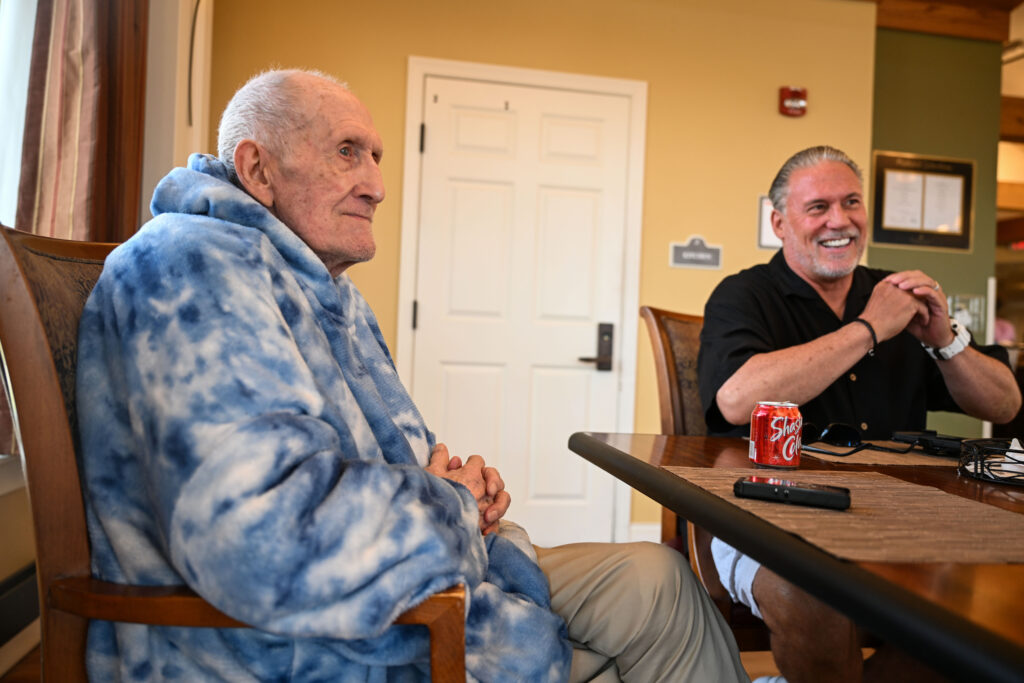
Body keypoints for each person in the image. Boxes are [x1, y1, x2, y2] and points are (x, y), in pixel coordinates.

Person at [76, 68, 747, 682]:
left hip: (418, 586)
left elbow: (404, 463)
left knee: (659, 578)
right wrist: (449, 503)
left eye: (376, 157)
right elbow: (262, 542)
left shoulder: (330, 292)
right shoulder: (194, 268)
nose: (376, 184)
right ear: (257, 167)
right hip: (297, 646)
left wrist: (462, 489)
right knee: (646, 648)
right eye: (347, 151)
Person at [697, 145, 1022, 683]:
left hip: (901, 517)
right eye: (818, 207)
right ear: (780, 222)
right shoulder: (743, 294)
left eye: (851, 202)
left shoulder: (899, 294)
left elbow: (1005, 402)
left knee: (969, 613)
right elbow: (736, 399)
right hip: (765, 516)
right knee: (813, 594)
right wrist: (869, 329)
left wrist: (944, 339)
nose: (840, 220)